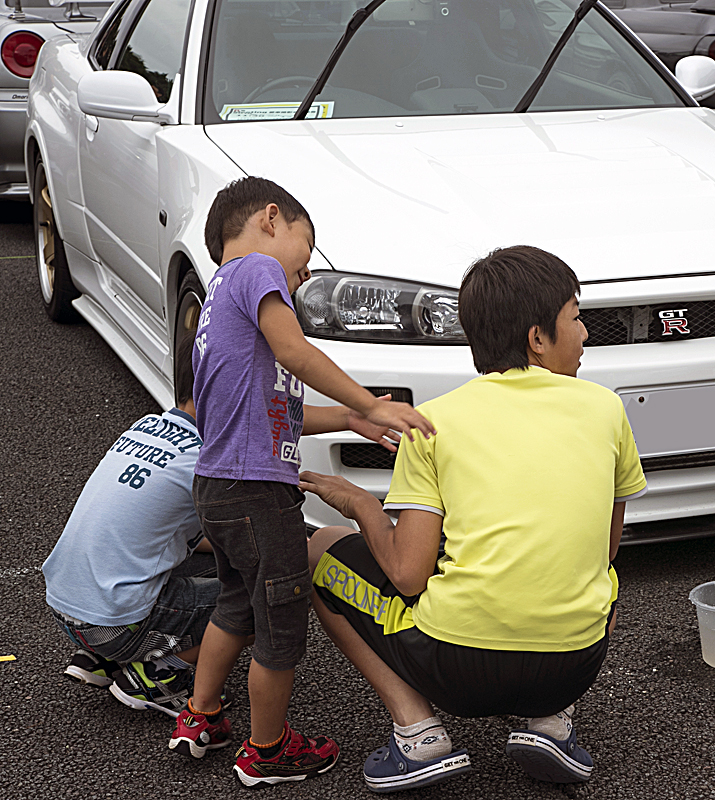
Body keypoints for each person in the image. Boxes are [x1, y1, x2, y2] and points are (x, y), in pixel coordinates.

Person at [301, 245, 646, 791]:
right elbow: (603, 549)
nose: (584, 333)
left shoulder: (432, 423)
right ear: (538, 338)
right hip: (572, 664)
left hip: (457, 669)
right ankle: (551, 723)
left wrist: (363, 505)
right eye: (576, 317)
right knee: (592, 576)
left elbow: (408, 574)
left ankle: (418, 734)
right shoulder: (606, 408)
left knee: (321, 549)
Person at [166, 177, 435, 788]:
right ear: (270, 219)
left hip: (220, 486)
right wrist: (373, 400)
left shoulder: (218, 304)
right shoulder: (255, 268)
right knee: (282, 624)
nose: (298, 279)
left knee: (237, 604)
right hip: (259, 495)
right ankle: (268, 749)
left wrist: (349, 417)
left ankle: (200, 713)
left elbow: (270, 406)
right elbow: (294, 352)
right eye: (303, 258)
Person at [44, 338, 216, 716]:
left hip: (66, 607)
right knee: (259, 593)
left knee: (168, 546)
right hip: (113, 623)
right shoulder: (205, 458)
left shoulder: (146, 426)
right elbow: (247, 542)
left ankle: (100, 658)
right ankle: (158, 676)